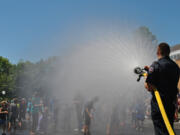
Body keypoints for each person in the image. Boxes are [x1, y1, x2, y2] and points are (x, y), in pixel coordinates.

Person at [145, 43, 180, 135]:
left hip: (159, 106)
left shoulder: (156, 65)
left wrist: (147, 76)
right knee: (168, 129)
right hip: (170, 106)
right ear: (168, 52)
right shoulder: (176, 67)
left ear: (158, 51)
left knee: (161, 131)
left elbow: (149, 87)